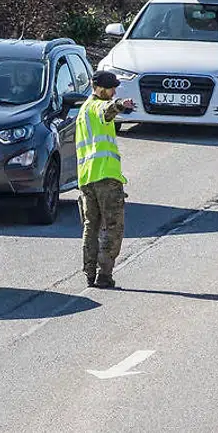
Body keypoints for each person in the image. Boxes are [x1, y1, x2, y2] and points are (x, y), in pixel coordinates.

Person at [75, 70, 134, 288]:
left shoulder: (82, 110)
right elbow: (107, 110)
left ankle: (89, 272)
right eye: (111, 89)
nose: (114, 91)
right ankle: (104, 274)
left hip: (86, 178)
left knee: (91, 226)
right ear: (100, 89)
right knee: (113, 227)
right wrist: (120, 104)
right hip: (105, 177)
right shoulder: (97, 106)